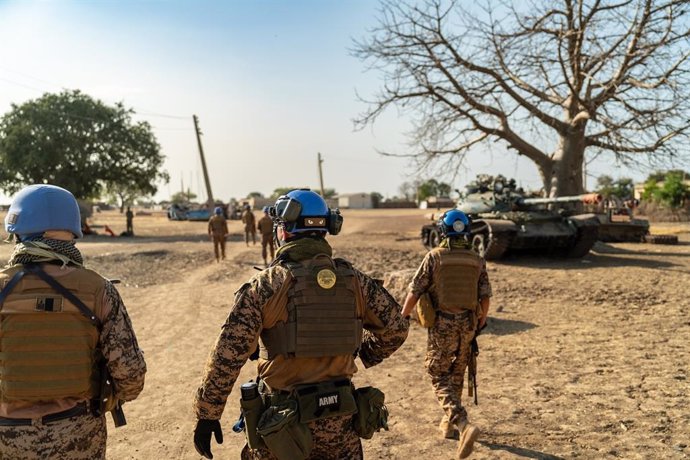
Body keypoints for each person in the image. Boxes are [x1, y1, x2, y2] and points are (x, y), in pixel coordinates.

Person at [193, 189, 409, 460]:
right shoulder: (356, 281)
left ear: (284, 231)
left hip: (282, 429)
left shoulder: (267, 286)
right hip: (341, 425)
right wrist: (363, 351)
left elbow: (227, 355)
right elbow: (397, 328)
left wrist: (207, 414)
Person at [0, 184, 147, 459]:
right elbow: (131, 378)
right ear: (72, 232)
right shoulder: (99, 290)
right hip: (79, 436)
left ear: (18, 232)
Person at [401, 209, 491, 459]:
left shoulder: (434, 257)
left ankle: (462, 424)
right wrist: (479, 322)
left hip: (443, 325)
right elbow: (485, 297)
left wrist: (402, 316)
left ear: (443, 231)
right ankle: (449, 424)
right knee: (457, 372)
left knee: (437, 373)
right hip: (468, 324)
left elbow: (415, 291)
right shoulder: (477, 259)